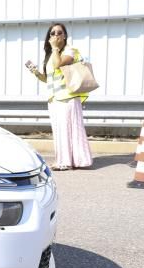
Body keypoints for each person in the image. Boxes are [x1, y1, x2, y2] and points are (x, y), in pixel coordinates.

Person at [25, 22, 93, 171]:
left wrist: (55, 48)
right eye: (53, 33)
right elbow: (48, 78)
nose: (56, 35)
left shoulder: (70, 51)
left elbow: (59, 65)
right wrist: (36, 72)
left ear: (65, 36)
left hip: (67, 97)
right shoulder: (50, 56)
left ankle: (66, 162)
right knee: (59, 130)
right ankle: (66, 160)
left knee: (68, 129)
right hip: (54, 98)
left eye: (59, 32)